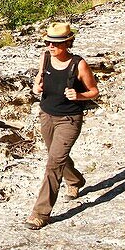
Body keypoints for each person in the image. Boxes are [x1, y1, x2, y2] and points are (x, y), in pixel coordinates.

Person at [25, 21, 99, 230]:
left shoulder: (79, 64)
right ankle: (75, 180)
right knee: (55, 156)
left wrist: (79, 95)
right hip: (47, 115)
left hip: (69, 119)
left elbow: (94, 91)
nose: (51, 46)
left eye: (56, 43)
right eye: (48, 42)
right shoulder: (46, 57)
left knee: (53, 164)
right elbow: (39, 78)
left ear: (68, 43)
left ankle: (40, 213)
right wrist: (36, 87)